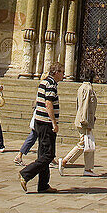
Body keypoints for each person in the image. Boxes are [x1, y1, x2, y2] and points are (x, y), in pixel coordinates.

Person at [19, 62, 64, 194]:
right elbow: (48, 103)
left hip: (39, 121)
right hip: (45, 123)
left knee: (43, 153)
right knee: (49, 154)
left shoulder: (44, 82)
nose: (63, 74)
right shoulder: (51, 84)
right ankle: (25, 174)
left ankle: (43, 185)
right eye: (61, 72)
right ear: (55, 72)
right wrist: (54, 122)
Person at [59, 68, 98, 176]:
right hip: (84, 121)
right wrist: (86, 122)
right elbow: (85, 106)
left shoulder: (82, 87)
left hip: (84, 119)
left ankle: (88, 169)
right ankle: (64, 162)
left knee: (89, 145)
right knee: (83, 144)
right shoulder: (88, 89)